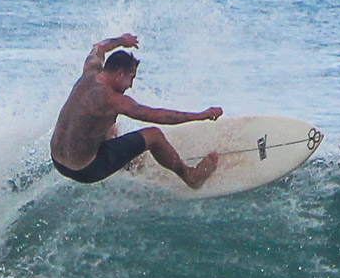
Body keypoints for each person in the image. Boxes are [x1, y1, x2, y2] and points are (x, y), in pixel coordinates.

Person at [50, 33, 222, 189]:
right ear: (119, 73)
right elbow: (158, 116)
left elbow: (99, 47)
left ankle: (128, 163)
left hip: (58, 161)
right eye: (130, 78)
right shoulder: (112, 99)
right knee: (153, 135)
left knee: (111, 126)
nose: (130, 85)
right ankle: (191, 177)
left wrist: (122, 41)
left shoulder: (90, 71)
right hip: (86, 170)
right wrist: (201, 115)